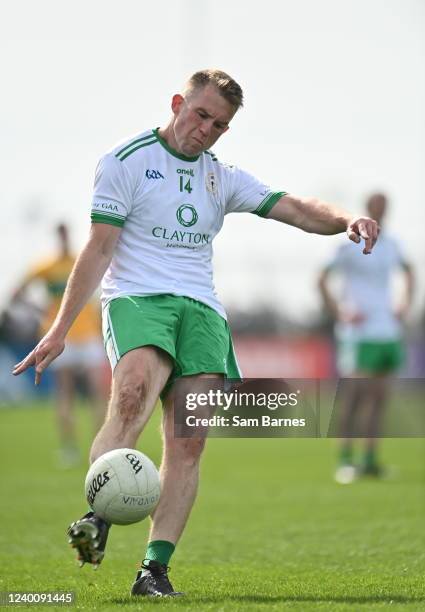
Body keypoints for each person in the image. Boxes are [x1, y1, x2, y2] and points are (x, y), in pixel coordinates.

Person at [13, 69, 379, 597]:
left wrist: (348, 218)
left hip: (202, 310)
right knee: (133, 394)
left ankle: (153, 571)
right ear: (178, 103)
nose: (207, 128)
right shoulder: (125, 160)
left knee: (188, 442)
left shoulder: (221, 176)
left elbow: (296, 207)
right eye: (201, 114)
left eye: (220, 124)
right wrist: (60, 329)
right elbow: (98, 248)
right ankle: (101, 517)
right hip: (138, 298)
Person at [318, 193, 414, 484]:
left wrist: (405, 303)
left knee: (379, 398)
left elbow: (409, 272)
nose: (381, 210)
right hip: (359, 333)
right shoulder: (348, 243)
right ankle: (346, 460)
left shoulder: (393, 244)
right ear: (369, 208)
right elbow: (321, 278)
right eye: (377, 206)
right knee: (355, 397)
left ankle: (370, 459)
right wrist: (339, 311)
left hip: (387, 331)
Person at [13, 223, 106, 466]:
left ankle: (101, 448)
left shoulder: (80, 259)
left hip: (87, 334)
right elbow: (16, 293)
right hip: (60, 336)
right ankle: (70, 449)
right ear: (58, 236)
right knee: (65, 394)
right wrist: (43, 312)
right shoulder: (46, 266)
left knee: (100, 392)